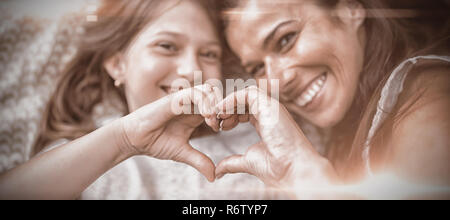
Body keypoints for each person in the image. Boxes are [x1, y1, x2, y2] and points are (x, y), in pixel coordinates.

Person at [0, 0, 264, 200]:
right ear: (117, 64)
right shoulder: (79, 158)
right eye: (167, 46)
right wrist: (123, 140)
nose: (191, 69)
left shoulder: (252, 143)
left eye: (209, 54)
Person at [213, 0, 450, 199]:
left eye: (286, 40)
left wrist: (303, 172)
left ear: (349, 10)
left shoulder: (429, 103)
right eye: (257, 68)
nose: (278, 80)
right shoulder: (337, 131)